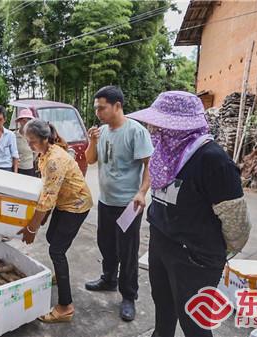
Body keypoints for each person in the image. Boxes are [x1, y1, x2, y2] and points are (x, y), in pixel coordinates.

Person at [127, 91, 250, 337]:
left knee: (194, 324)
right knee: (163, 307)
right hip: (162, 244)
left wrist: (212, 254)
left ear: (182, 127)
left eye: (160, 125)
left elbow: (237, 223)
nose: (153, 131)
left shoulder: (212, 160)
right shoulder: (163, 155)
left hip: (196, 257)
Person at [84, 86, 154, 321]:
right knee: (106, 244)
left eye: (101, 108)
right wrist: (92, 141)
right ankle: (109, 279)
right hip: (106, 201)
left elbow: (149, 165)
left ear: (117, 105)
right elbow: (91, 159)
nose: (98, 112)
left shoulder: (135, 131)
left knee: (128, 250)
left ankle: (128, 296)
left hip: (128, 204)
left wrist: (142, 192)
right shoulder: (101, 131)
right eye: (96, 108)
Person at [18, 119, 93, 324]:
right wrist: (43, 219)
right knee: (52, 238)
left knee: (56, 250)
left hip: (77, 205)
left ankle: (65, 307)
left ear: (44, 139)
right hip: (64, 201)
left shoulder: (54, 160)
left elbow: (47, 198)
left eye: (32, 142)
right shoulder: (44, 153)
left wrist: (31, 228)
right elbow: (48, 191)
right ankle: (60, 274)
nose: (30, 146)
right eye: (28, 141)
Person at [14, 109, 37, 177]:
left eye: (28, 120)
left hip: (30, 168)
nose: (25, 123)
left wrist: (29, 161)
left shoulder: (34, 136)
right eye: (23, 120)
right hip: (17, 169)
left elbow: (36, 152)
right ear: (20, 121)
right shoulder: (14, 136)